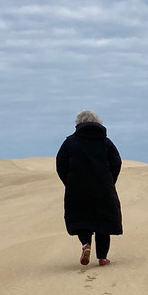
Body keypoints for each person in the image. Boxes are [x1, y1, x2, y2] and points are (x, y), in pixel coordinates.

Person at [56, 110, 123, 266]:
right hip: (103, 188)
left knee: (82, 219)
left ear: (78, 124)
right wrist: (109, 180)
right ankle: (102, 257)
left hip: (77, 188)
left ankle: (86, 243)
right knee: (103, 222)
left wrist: (70, 182)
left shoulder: (69, 143)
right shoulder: (106, 142)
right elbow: (116, 162)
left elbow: (60, 164)